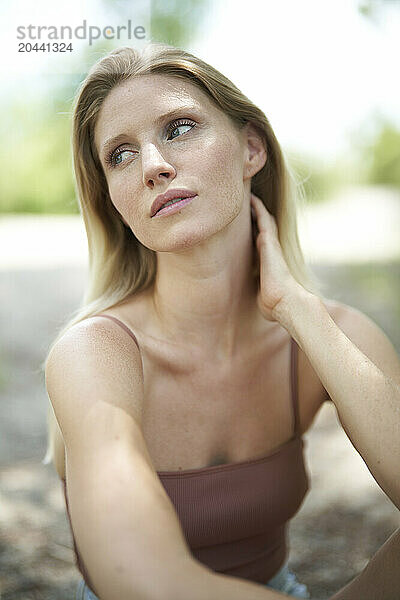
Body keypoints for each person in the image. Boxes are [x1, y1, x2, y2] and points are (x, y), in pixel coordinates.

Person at [42, 42, 400, 600]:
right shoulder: (92, 353)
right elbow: (137, 578)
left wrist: (297, 309)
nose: (155, 166)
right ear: (112, 198)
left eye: (179, 127)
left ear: (250, 149)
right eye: (121, 154)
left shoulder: (331, 335)